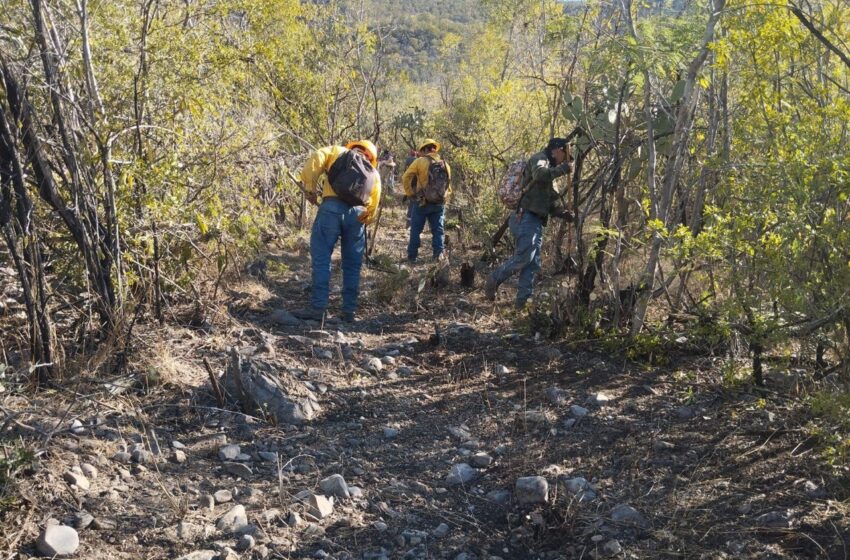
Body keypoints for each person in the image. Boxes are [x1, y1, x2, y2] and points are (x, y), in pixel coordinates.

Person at [293, 140, 381, 323]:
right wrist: (365, 218)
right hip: (357, 215)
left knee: (322, 258)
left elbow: (316, 159)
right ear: (371, 157)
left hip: (330, 209)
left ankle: (319, 308)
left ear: (353, 147)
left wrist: (310, 189)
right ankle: (349, 312)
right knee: (352, 265)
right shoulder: (374, 173)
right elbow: (373, 205)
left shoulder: (337, 151)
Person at [485, 138, 573, 308]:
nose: (565, 160)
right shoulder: (540, 159)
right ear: (557, 150)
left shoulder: (551, 170)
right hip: (525, 217)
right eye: (565, 155)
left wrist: (563, 213)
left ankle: (522, 303)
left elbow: (550, 203)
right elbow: (540, 174)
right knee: (524, 257)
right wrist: (563, 169)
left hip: (536, 221)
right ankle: (494, 278)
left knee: (532, 264)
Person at [402, 139, 452, 263]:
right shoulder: (445, 164)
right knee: (438, 231)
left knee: (415, 230)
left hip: (422, 202)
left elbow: (405, 177)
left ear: (424, 150)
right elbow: (449, 187)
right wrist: (443, 198)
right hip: (439, 204)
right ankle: (438, 257)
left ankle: (412, 257)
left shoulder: (420, 162)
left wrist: (410, 194)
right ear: (434, 149)